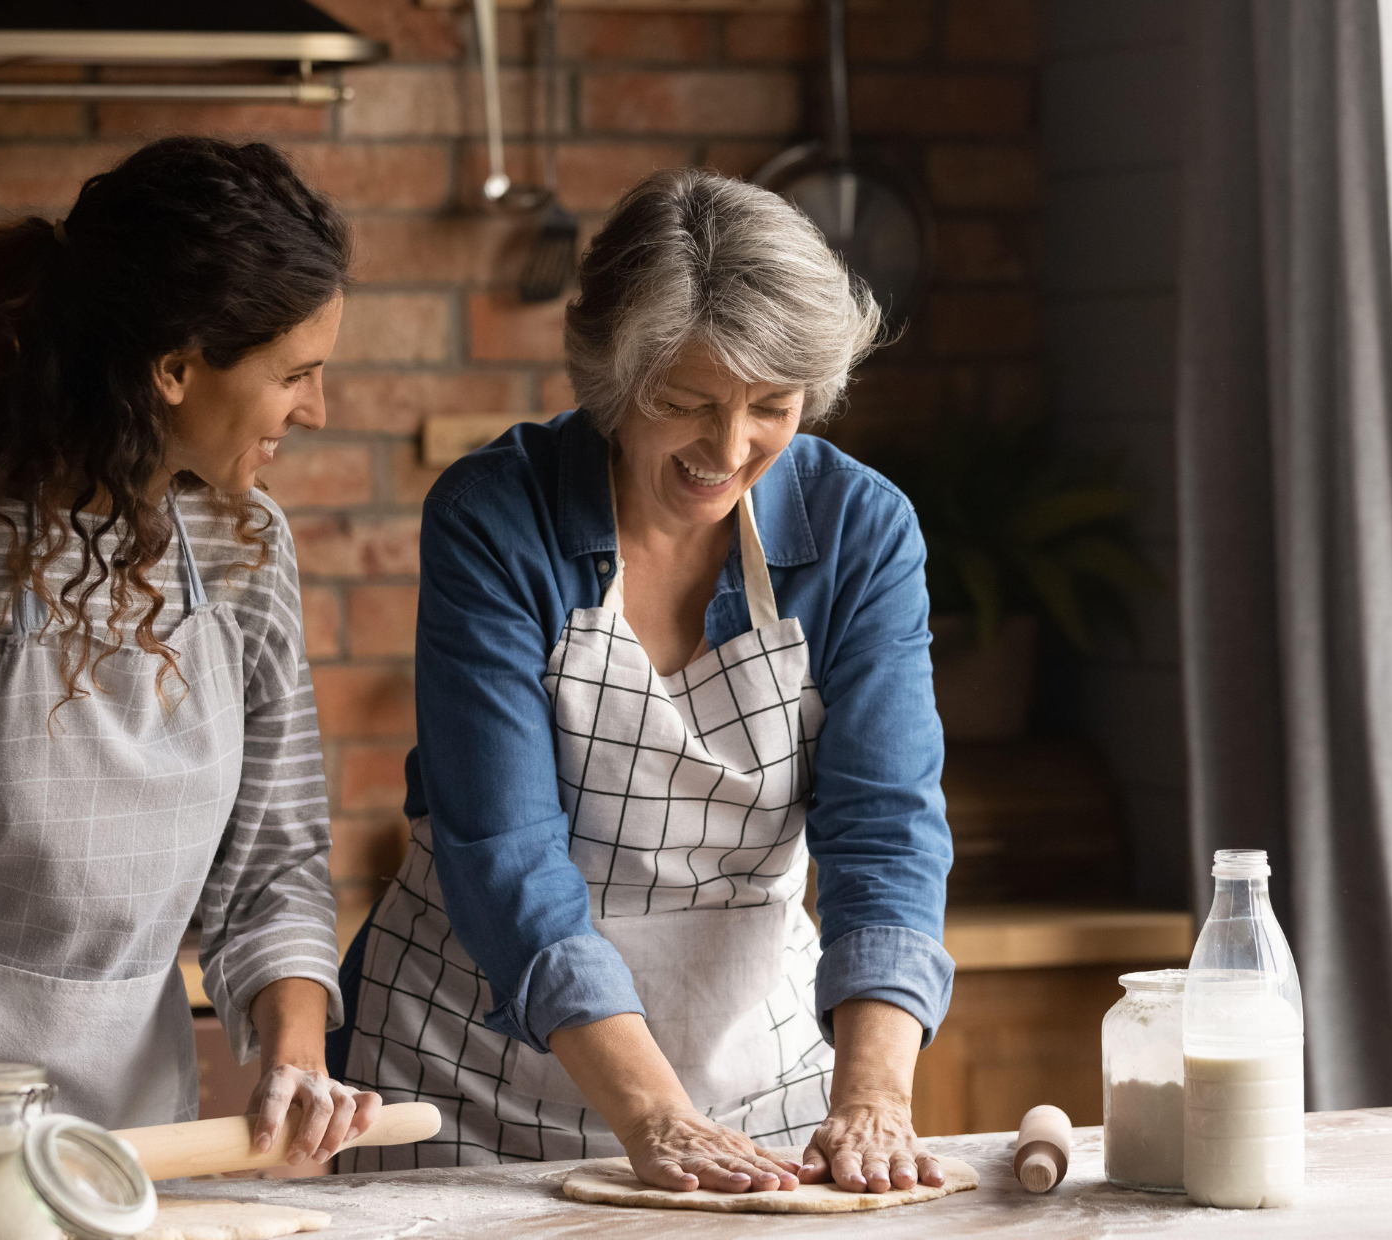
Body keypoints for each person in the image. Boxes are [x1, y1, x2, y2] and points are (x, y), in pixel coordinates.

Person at [0, 137, 379, 1174]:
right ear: (174, 368)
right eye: (294, 375)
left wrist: (295, 1058)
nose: (314, 409)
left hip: (145, 1148)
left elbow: (273, 868)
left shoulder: (244, 550)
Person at [330, 169, 954, 1196]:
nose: (728, 447)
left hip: (756, 1075)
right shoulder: (497, 518)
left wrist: (873, 1096)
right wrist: (653, 1114)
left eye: (772, 407)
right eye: (687, 402)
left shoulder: (860, 530)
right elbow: (504, 852)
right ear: (613, 379)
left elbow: (883, 828)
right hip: (468, 1070)